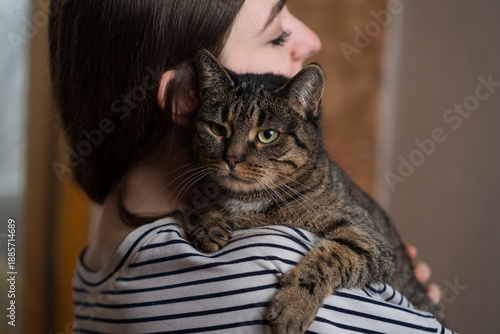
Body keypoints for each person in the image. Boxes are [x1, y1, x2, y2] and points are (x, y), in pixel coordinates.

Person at [49, 0, 450, 333]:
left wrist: (392, 305)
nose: (311, 40)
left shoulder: (98, 261)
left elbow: (377, 259)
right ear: (187, 97)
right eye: (276, 34)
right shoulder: (269, 270)